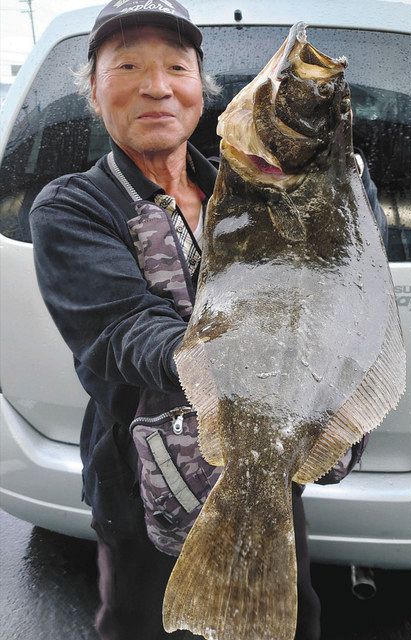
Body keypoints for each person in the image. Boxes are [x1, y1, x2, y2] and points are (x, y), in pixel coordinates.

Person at [29, 2, 386, 639]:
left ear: (203, 88)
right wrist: (228, 355)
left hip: (267, 466)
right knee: (142, 625)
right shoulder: (73, 206)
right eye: (128, 66)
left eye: (176, 66)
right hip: (142, 490)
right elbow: (120, 332)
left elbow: (335, 291)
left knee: (288, 619)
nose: (156, 85)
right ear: (93, 89)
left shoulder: (243, 187)